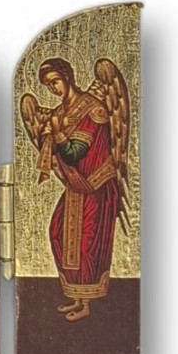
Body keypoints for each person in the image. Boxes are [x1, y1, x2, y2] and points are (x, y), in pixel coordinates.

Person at [33, 58, 121, 322]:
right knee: (58, 233)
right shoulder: (61, 112)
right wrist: (48, 135)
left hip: (96, 186)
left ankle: (86, 303)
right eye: (48, 86)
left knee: (85, 245)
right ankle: (75, 295)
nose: (53, 89)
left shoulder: (94, 109)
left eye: (55, 82)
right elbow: (52, 146)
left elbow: (74, 153)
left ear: (67, 76)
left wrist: (57, 134)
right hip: (76, 186)